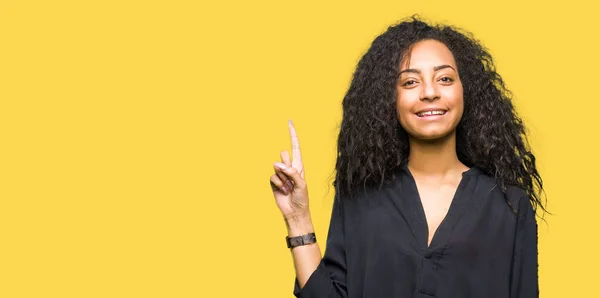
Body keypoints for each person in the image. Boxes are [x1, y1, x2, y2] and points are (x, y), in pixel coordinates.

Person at [269, 16, 545, 298]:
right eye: (410, 82)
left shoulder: (510, 204)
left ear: (466, 90)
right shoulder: (361, 194)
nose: (429, 93)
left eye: (445, 78)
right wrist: (297, 218)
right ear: (390, 99)